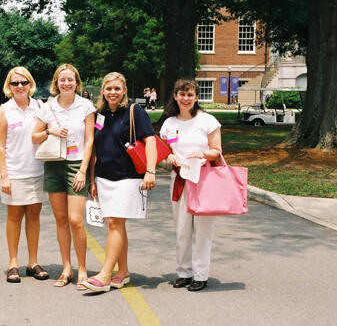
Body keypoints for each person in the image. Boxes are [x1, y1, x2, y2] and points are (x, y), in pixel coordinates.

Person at [82, 72, 157, 292]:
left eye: (117, 88)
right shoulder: (99, 114)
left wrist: (150, 171)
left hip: (128, 177)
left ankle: (105, 274)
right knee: (116, 225)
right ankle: (122, 272)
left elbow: (150, 141)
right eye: (108, 88)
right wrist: (93, 179)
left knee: (115, 224)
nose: (112, 92)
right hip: (104, 177)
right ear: (102, 91)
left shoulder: (135, 111)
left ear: (124, 90)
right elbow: (95, 148)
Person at [32, 64, 95, 290]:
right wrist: (50, 131)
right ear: (56, 83)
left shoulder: (85, 105)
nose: (66, 83)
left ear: (77, 82)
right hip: (54, 164)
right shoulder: (48, 107)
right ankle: (67, 267)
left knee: (75, 220)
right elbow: (34, 136)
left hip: (77, 164)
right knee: (60, 219)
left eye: (70, 80)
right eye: (62, 80)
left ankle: (83, 268)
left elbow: (90, 140)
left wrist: (83, 170)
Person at [159, 78, 222, 292]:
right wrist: (169, 157)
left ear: (196, 97)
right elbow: (165, 150)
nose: (186, 98)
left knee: (203, 231)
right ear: (175, 96)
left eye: (190, 95)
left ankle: (201, 275)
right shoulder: (169, 124)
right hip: (180, 180)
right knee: (182, 229)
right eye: (182, 94)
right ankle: (184, 272)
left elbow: (217, 151)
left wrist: (203, 154)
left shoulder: (208, 121)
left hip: (203, 180)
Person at [0, 66, 49, 283]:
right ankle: (13, 263)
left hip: (37, 170)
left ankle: (33, 262)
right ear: (9, 86)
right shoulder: (4, 111)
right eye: (15, 83)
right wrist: (4, 175)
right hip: (14, 172)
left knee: (34, 217)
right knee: (15, 217)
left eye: (23, 82)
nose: (20, 87)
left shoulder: (40, 107)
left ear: (30, 84)